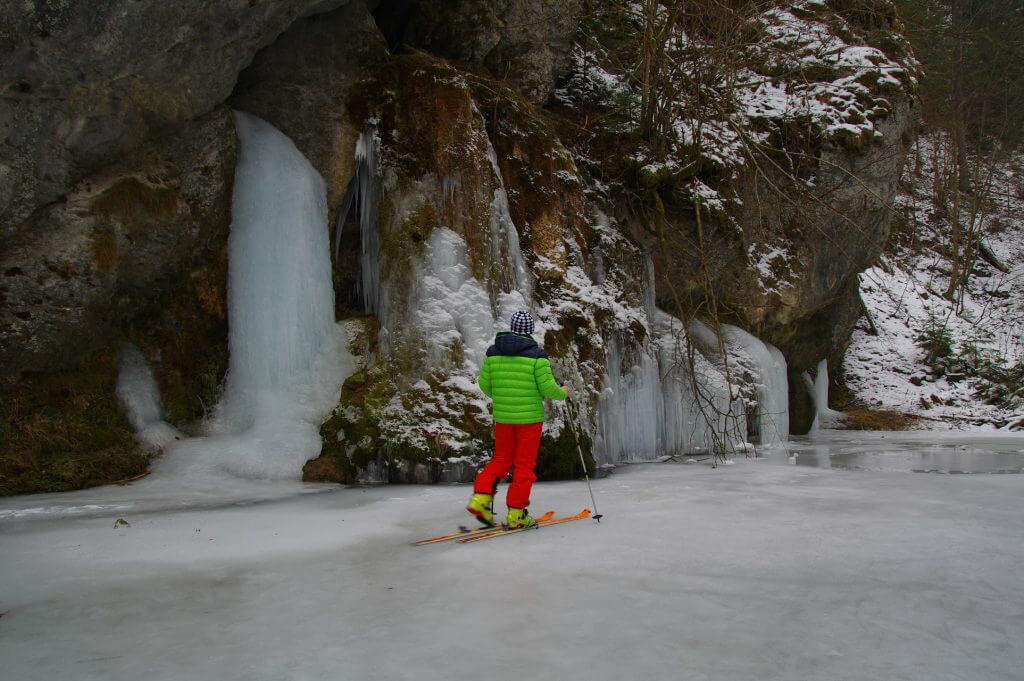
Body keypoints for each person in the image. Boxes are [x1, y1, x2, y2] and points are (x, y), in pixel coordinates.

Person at [467, 310, 568, 528]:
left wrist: (503, 397)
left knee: (501, 459)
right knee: (523, 465)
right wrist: (564, 392)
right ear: (530, 331)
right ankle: (516, 514)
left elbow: (484, 384)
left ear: (512, 328)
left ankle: (480, 497)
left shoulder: (493, 353)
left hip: (503, 418)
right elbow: (548, 389)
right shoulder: (537, 357)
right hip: (529, 420)